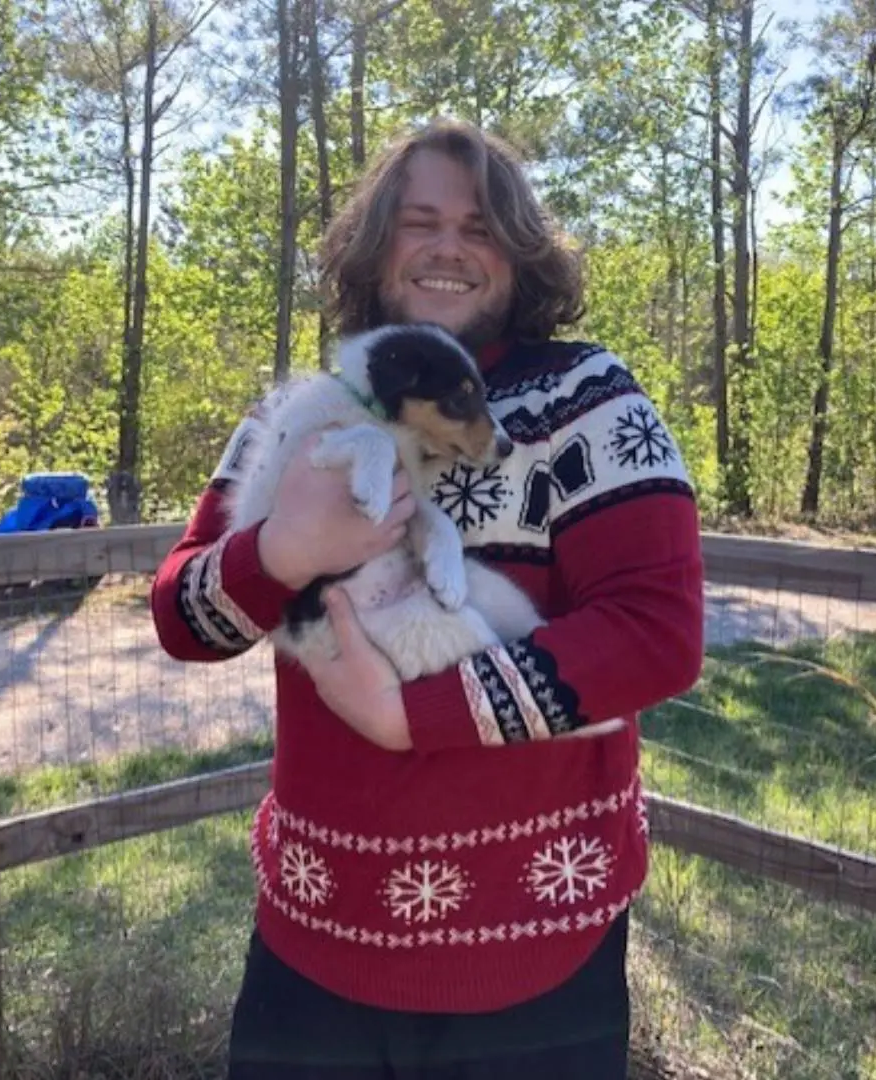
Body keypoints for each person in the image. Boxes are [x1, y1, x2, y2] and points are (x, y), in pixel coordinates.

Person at [150, 117, 705, 1079]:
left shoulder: (590, 400)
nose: (449, 247)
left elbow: (657, 635)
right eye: (418, 223)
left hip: (535, 954)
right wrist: (281, 550)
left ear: (521, 256)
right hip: (310, 941)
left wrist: (417, 716)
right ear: (376, 249)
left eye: (481, 227)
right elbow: (181, 618)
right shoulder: (306, 408)